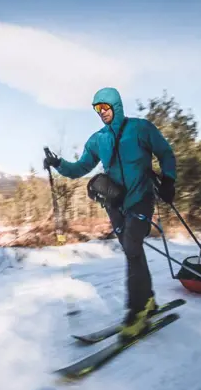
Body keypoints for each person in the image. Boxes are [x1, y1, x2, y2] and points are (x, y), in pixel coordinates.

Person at [43, 87, 176, 340]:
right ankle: (147, 300)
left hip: (141, 200)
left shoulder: (140, 129)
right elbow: (80, 167)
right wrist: (59, 164)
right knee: (131, 251)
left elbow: (166, 153)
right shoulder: (97, 140)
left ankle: (136, 313)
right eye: (97, 109)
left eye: (105, 107)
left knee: (132, 246)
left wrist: (168, 180)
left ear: (116, 105)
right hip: (115, 205)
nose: (101, 112)